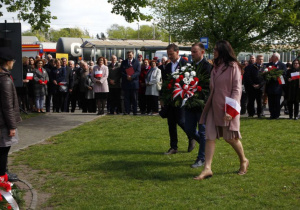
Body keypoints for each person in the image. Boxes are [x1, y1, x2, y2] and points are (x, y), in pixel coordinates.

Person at [195, 40, 248, 180]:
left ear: (223, 50)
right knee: (209, 137)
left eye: (216, 49)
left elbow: (237, 90)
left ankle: (243, 160)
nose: (214, 51)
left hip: (228, 108)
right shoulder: (215, 66)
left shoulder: (233, 66)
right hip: (213, 106)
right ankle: (207, 168)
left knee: (230, 138)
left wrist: (231, 111)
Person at [163, 44, 193, 155]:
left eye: (171, 54)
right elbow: (165, 83)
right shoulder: (167, 66)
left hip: (181, 97)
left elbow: (189, 81)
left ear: (177, 52)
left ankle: (191, 137)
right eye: (168, 54)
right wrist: (163, 97)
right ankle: (173, 147)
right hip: (170, 98)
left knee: (181, 121)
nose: (170, 56)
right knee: (171, 123)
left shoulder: (185, 64)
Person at [187, 42, 212, 168]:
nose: (192, 54)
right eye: (191, 52)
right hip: (190, 103)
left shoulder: (207, 67)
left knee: (202, 131)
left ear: (202, 52)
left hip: (202, 104)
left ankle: (201, 157)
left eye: (194, 52)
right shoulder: (190, 66)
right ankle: (205, 145)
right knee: (189, 128)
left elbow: (208, 86)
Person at [0, 47, 22, 182]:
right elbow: (7, 106)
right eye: (13, 60)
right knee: (3, 149)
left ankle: (4, 172)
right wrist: (12, 126)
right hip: (3, 122)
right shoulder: (5, 80)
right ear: (8, 62)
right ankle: (2, 176)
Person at [266, 53, 287, 119]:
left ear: (277, 58)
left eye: (273, 56)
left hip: (278, 86)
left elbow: (284, 74)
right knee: (270, 101)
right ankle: (272, 114)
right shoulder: (268, 65)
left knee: (277, 101)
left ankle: (277, 114)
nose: (271, 57)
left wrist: (278, 76)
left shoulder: (282, 65)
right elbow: (265, 73)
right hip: (270, 86)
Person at [120, 51, 141, 115]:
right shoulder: (123, 62)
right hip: (126, 83)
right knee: (126, 98)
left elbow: (138, 72)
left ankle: (134, 111)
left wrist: (132, 77)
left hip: (134, 83)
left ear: (133, 55)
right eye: (128, 55)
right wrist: (127, 76)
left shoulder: (137, 62)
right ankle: (127, 111)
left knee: (134, 98)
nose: (129, 56)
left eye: (130, 55)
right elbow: (121, 72)